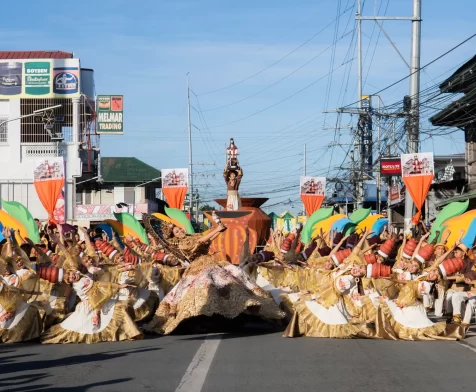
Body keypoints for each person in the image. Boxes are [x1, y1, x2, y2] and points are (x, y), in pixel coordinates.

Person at [143, 214, 284, 335]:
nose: (179, 231)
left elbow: (207, 240)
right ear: (174, 236)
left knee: (237, 275)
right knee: (207, 282)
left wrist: (220, 230)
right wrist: (216, 229)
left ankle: (241, 309)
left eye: (179, 229)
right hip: (198, 268)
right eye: (176, 231)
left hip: (213, 262)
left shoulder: (192, 236)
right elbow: (200, 242)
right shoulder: (181, 244)